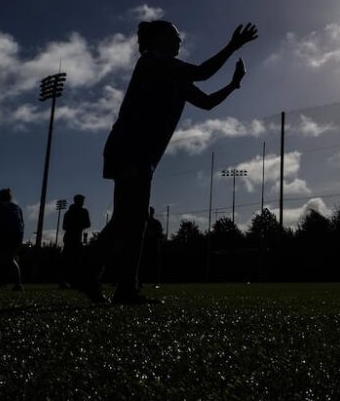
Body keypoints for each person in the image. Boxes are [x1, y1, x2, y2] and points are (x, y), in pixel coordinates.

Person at [80, 20, 258, 304]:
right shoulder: (151, 62)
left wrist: (234, 85)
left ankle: (101, 277)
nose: (179, 41)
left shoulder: (175, 76)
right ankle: (109, 280)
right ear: (157, 39)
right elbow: (202, 72)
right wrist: (232, 46)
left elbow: (208, 102)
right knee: (132, 220)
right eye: (174, 36)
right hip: (130, 149)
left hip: (139, 154)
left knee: (129, 220)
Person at [59, 193, 91, 289]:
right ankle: (67, 281)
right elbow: (64, 226)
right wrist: (76, 225)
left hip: (74, 239)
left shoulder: (75, 212)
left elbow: (87, 224)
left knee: (73, 261)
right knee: (71, 261)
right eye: (81, 200)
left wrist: (76, 225)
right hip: (72, 239)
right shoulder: (74, 212)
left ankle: (72, 281)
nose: (82, 202)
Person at [139, 206, 164, 290]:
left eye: (151, 211)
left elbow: (160, 234)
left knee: (155, 265)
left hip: (153, 246)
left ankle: (156, 282)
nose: (150, 213)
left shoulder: (156, 223)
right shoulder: (143, 222)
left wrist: (153, 234)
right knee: (142, 265)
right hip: (144, 247)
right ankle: (140, 282)